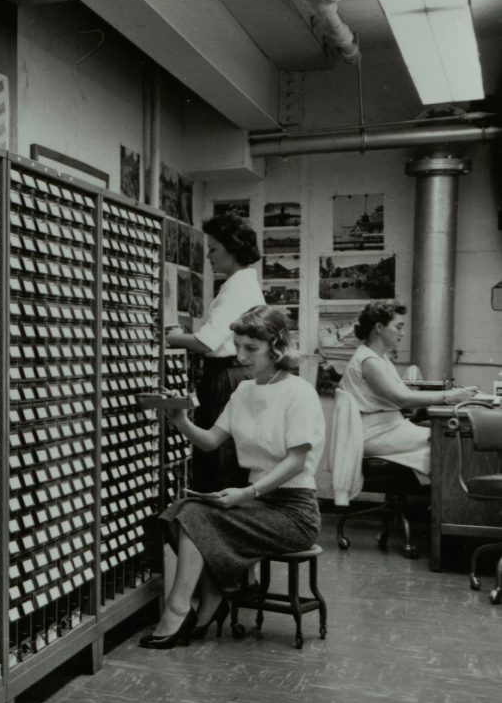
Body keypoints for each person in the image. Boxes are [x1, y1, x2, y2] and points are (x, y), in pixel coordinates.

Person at [141, 306, 323, 648]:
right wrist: (179, 419)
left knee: (194, 515)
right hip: (258, 502)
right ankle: (212, 599)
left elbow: (297, 461)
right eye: (237, 346)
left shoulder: (299, 393)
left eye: (250, 349)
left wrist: (248, 493)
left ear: (277, 346)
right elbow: (210, 441)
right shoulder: (243, 392)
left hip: (293, 512)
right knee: (178, 513)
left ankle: (179, 610)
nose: (240, 356)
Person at [165, 212, 266, 492]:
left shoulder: (238, 288)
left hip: (227, 377)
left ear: (232, 249)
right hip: (234, 374)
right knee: (225, 455)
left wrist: (171, 337)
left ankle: (215, 528)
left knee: (220, 460)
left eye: (213, 249)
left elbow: (206, 342)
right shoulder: (240, 284)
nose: (208, 256)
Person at [338, 301, 477, 477]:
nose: (402, 333)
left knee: (450, 438)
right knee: (449, 440)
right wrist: (450, 396)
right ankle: (446, 501)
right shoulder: (369, 361)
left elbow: (400, 398)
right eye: (398, 327)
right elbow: (402, 399)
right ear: (379, 327)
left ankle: (443, 498)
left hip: (386, 428)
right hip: (374, 434)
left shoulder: (378, 358)